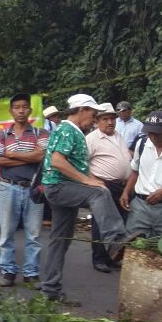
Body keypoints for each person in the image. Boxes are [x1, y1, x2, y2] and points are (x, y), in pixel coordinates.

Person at [41, 94, 129, 302]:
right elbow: (57, 161)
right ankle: (115, 240)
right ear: (81, 110)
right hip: (58, 186)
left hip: (64, 187)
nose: (95, 117)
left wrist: (91, 178)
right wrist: (88, 182)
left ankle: (50, 288)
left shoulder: (76, 132)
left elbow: (80, 166)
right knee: (99, 193)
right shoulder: (66, 130)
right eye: (93, 113)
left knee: (60, 240)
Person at [0, 94, 50, 286]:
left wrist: (12, 154)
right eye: (17, 107)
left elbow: (42, 157)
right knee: (6, 232)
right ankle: (8, 271)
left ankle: (31, 273)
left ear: (30, 111)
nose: (21, 110)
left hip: (33, 188)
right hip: (8, 187)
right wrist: (29, 155)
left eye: (24, 107)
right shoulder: (1, 135)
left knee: (33, 234)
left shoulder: (40, 133)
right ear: (11, 111)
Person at [86, 103, 131, 272]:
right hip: (104, 185)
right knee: (101, 223)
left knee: (119, 223)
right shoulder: (92, 138)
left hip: (122, 186)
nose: (110, 122)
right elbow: (82, 163)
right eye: (105, 119)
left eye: (112, 118)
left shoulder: (118, 135)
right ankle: (99, 259)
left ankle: (112, 257)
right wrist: (93, 180)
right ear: (97, 121)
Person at [120, 110, 162, 238]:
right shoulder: (142, 144)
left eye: (158, 134)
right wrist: (126, 192)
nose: (153, 138)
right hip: (140, 207)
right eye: (150, 133)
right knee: (133, 247)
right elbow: (135, 171)